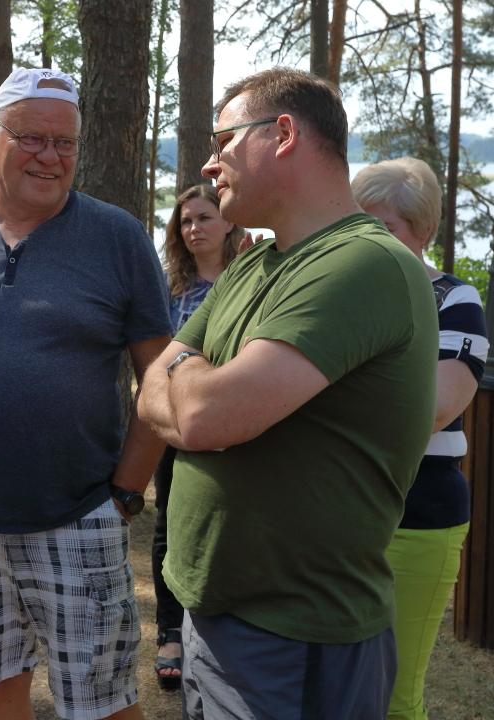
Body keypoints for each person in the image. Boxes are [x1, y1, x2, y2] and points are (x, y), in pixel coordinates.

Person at [138, 67, 439, 719]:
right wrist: (188, 377)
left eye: (223, 142)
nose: (209, 164)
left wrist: (188, 377)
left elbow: (201, 415)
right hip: (215, 616)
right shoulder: (252, 262)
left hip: (296, 636)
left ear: (282, 134)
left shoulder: (364, 263)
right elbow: (151, 386)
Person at [0, 67, 171, 720]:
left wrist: (126, 493)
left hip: (80, 512)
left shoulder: (117, 237)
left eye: (65, 142)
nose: (50, 156)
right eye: (32, 138)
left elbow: (161, 376)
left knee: (104, 704)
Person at [352, 157, 488, 720]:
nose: (368, 240)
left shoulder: (454, 299)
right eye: (358, 223)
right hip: (336, 509)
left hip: (419, 509)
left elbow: (437, 406)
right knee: (334, 685)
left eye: (384, 227)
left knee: (393, 694)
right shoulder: (341, 296)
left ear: (424, 229)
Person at [152, 183, 242, 690]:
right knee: (170, 523)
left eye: (204, 218)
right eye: (185, 221)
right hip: (174, 423)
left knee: (228, 522)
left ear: (228, 222)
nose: (193, 229)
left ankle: (220, 628)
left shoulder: (249, 278)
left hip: (234, 421)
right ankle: (170, 632)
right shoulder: (170, 288)